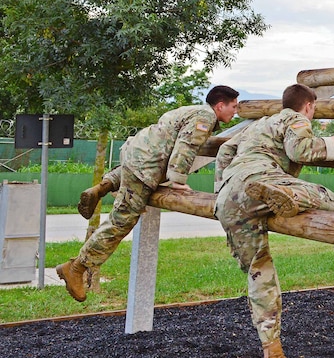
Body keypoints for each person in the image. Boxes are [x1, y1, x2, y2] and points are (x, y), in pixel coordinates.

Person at [214, 83, 334, 358]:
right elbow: (300, 149)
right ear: (309, 106)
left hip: (230, 197)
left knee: (259, 273)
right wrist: (332, 142)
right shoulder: (295, 118)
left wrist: (219, 189)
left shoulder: (258, 125)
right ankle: (288, 198)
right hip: (262, 179)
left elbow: (225, 150)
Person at [57, 86, 240, 302]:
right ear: (220, 105)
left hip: (136, 152)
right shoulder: (205, 117)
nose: (236, 112)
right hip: (145, 166)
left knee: (126, 191)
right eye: (234, 106)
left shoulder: (192, 110)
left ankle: (104, 185)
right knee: (121, 221)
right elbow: (187, 146)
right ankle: (77, 267)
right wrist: (178, 180)